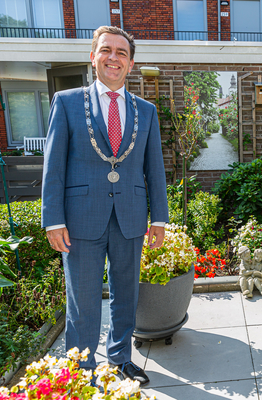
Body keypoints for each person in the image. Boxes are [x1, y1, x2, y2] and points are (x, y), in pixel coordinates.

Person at [41, 26, 169, 385]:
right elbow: (54, 165)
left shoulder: (146, 111)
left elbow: (153, 168)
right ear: (93, 57)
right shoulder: (67, 102)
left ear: (130, 64)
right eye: (106, 50)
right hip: (80, 219)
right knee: (82, 300)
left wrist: (159, 218)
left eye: (121, 53)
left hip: (130, 216)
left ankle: (120, 358)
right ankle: (80, 371)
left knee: (126, 294)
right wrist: (53, 220)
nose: (114, 58)